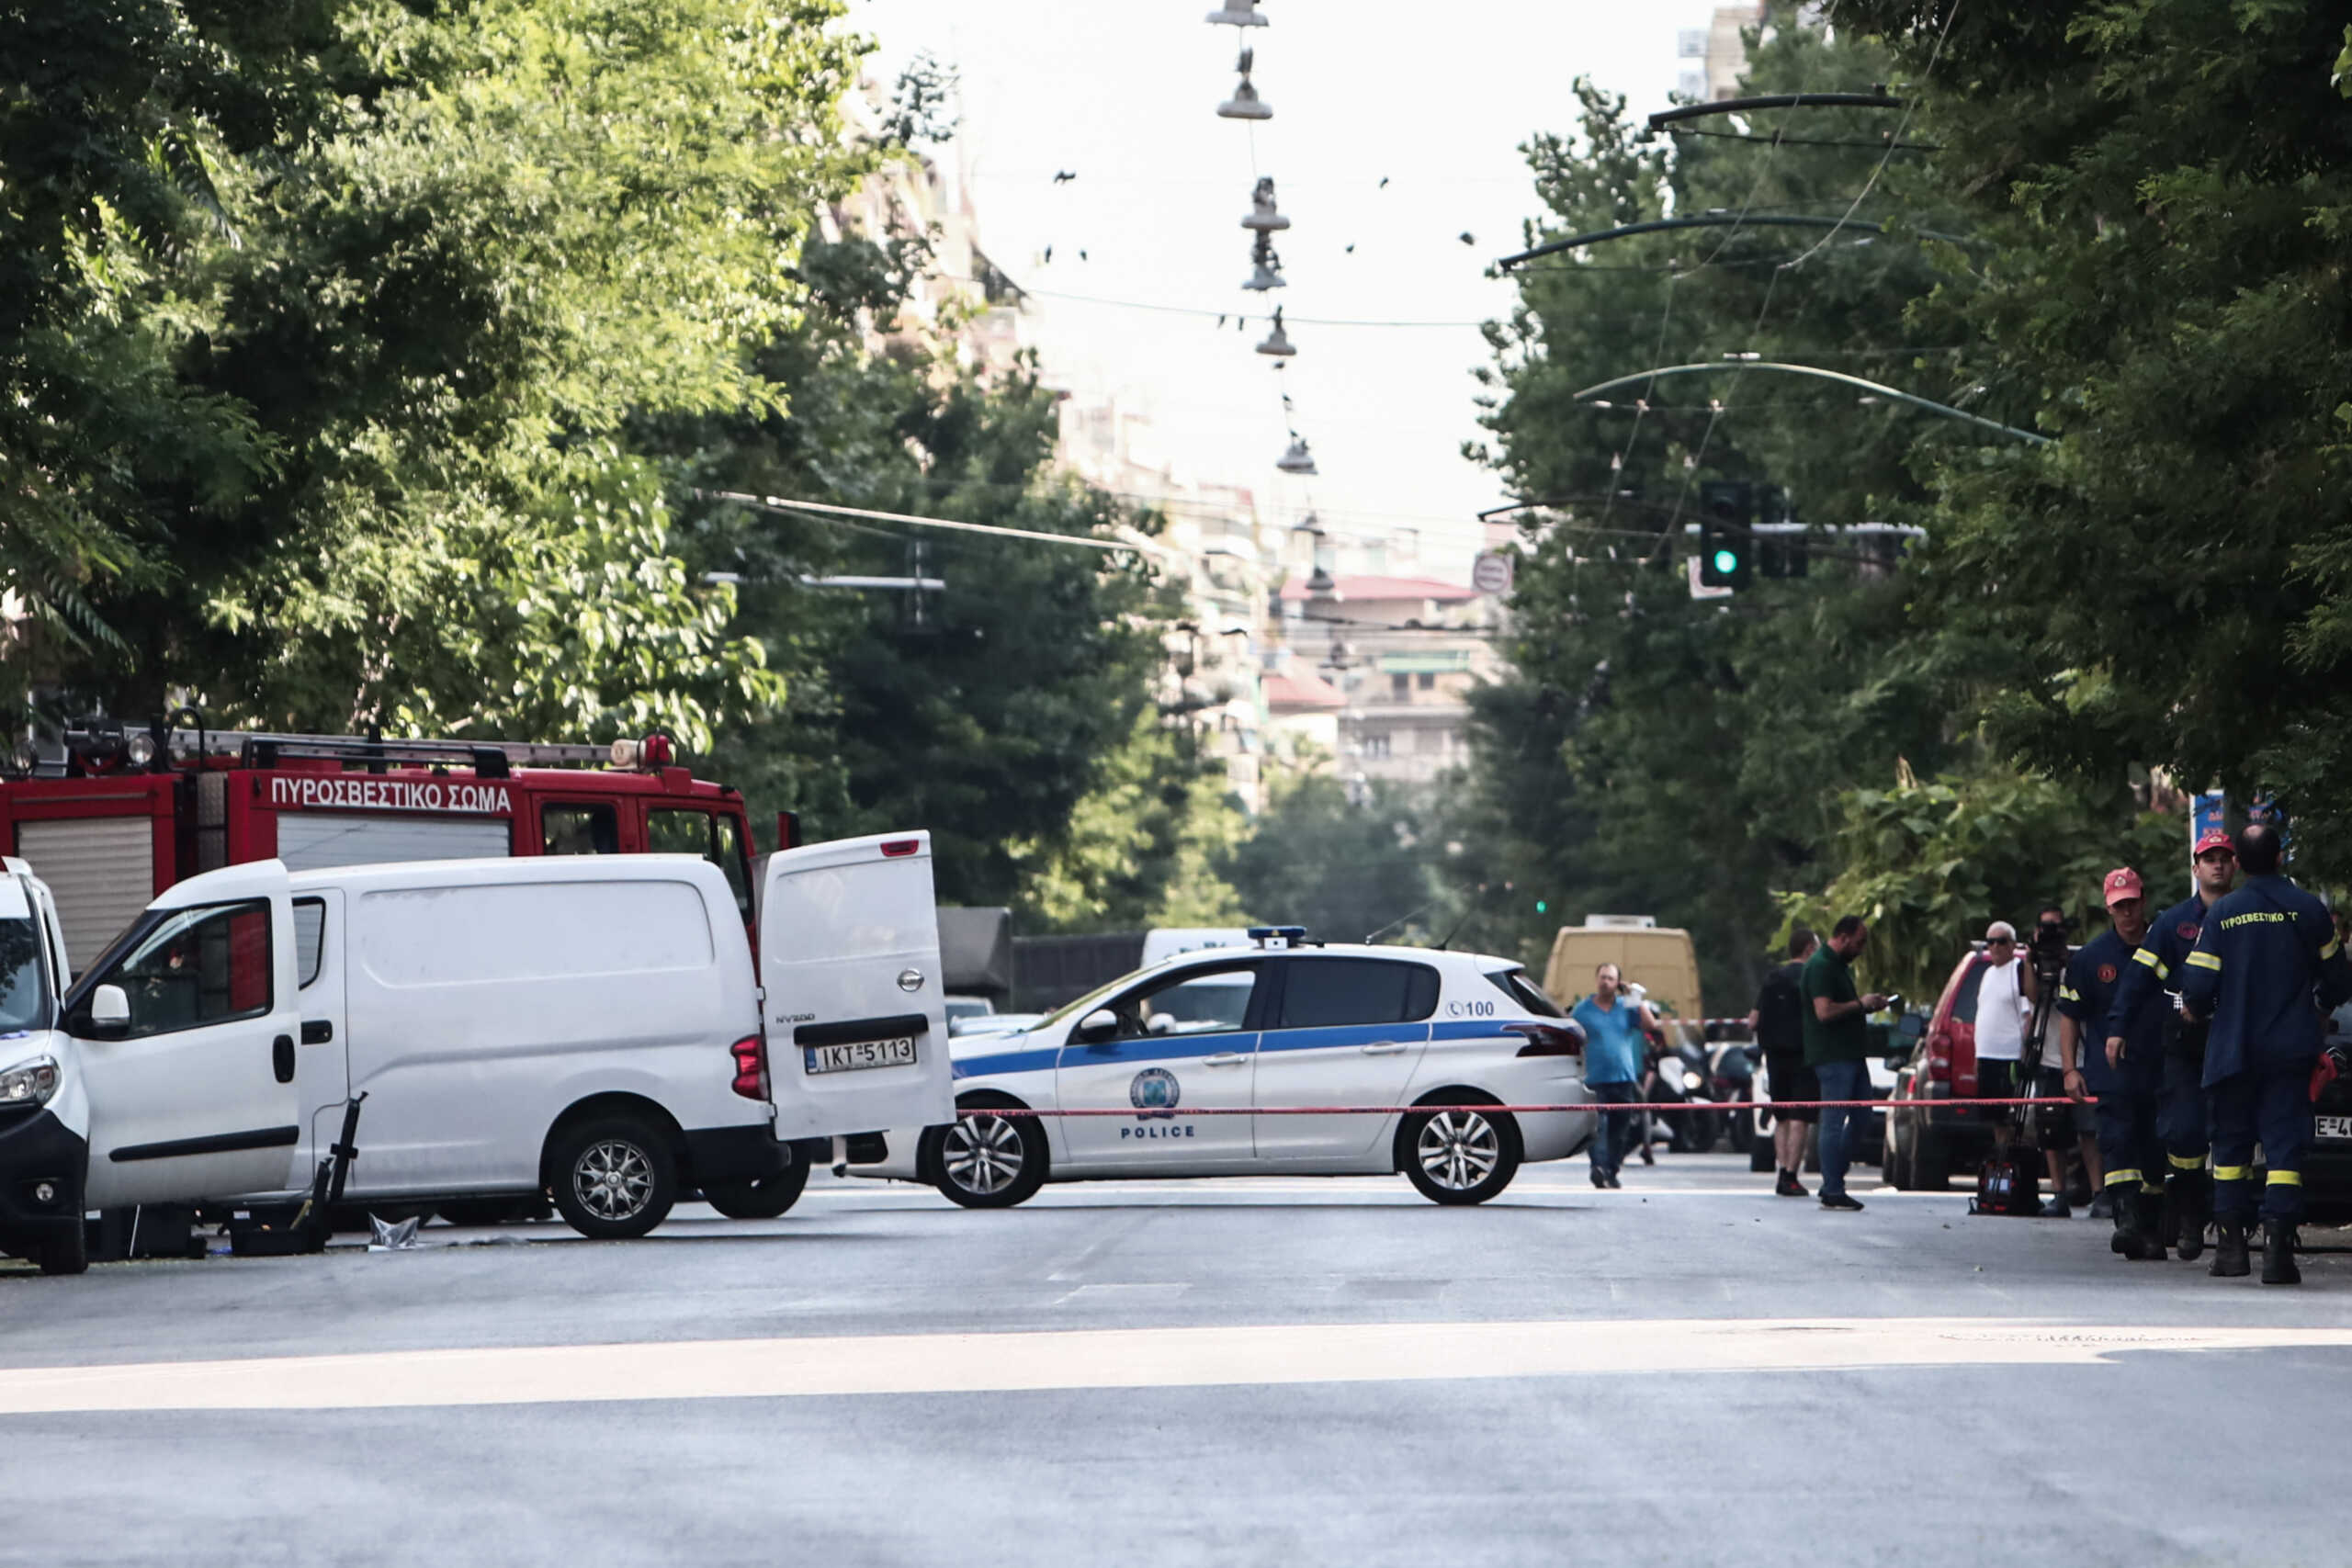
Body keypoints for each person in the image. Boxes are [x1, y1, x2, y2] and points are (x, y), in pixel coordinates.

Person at [2177, 823, 2352, 1283]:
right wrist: (2318, 1009)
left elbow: (2196, 986)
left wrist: (2198, 1011)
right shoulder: (2308, 911)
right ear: (2279, 859)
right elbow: (2338, 978)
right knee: (2284, 1153)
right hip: (2289, 1052)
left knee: (2231, 1151)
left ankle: (2231, 1250)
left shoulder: (2222, 915)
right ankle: (2277, 1254)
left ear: (2238, 864)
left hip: (2232, 1051)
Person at [2106, 828, 2238, 1258]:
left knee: (2239, 1137)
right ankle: (2189, 1217)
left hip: (2237, 1042)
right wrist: (2117, 1027)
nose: (2217, 863)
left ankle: (2238, 1228)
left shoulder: (2246, 915)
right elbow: (2139, 977)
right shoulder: (2171, 924)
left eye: (2224, 857)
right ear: (2196, 867)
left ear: (2234, 865)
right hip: (2185, 1044)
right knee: (2184, 1133)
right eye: (2209, 857)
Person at [2056, 868, 2170, 1259]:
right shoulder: (2092, 958)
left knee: (2156, 1151)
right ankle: (2126, 1219)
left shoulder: (2165, 946)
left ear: (2143, 901)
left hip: (2161, 1068)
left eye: (2132, 903)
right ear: (2109, 909)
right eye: (2119, 906)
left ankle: (2152, 1225)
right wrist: (2070, 1069)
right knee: (2117, 1145)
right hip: (2112, 1073)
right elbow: (2069, 1014)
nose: (2127, 913)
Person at [1970, 920, 2065, 1214]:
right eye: (1990, 942)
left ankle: (2019, 1177)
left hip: (2010, 1056)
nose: (1994, 947)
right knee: (1997, 1120)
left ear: (2012, 944)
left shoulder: (2017, 971)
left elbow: (2029, 1011)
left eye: (2000, 941)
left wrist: (2025, 1050)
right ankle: (2000, 1175)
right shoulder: (1987, 974)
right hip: (1987, 1056)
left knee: (2017, 1120)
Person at [1801, 916, 1888, 1212]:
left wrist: (1867, 1005)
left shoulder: (1837, 967)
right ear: (1844, 937)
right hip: (1833, 1056)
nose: (1862, 949)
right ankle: (1833, 1186)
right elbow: (1823, 1011)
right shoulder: (1822, 966)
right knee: (1834, 1121)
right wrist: (1860, 1004)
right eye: (1860, 942)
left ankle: (1834, 1178)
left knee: (1863, 1117)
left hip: (1852, 1054)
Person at [1573, 963, 1660, 1190]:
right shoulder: (1583, 1010)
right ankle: (1598, 1168)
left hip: (1623, 1078)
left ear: (1618, 982)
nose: (1606, 982)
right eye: (1602, 977)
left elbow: (1651, 1025)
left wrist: (1635, 997)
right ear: (1596, 980)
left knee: (1620, 1130)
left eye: (1611, 979)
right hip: (1595, 1078)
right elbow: (1571, 1037)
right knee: (1598, 1126)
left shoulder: (1627, 1007)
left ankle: (1612, 1170)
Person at [1748, 929, 1820, 1197]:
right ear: (1809, 949)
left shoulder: (1772, 978)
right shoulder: (1813, 977)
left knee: (1782, 1118)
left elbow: (1752, 1021)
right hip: (1805, 1056)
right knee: (1800, 1117)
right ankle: (1792, 1174)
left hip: (1775, 1058)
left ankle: (1781, 1174)